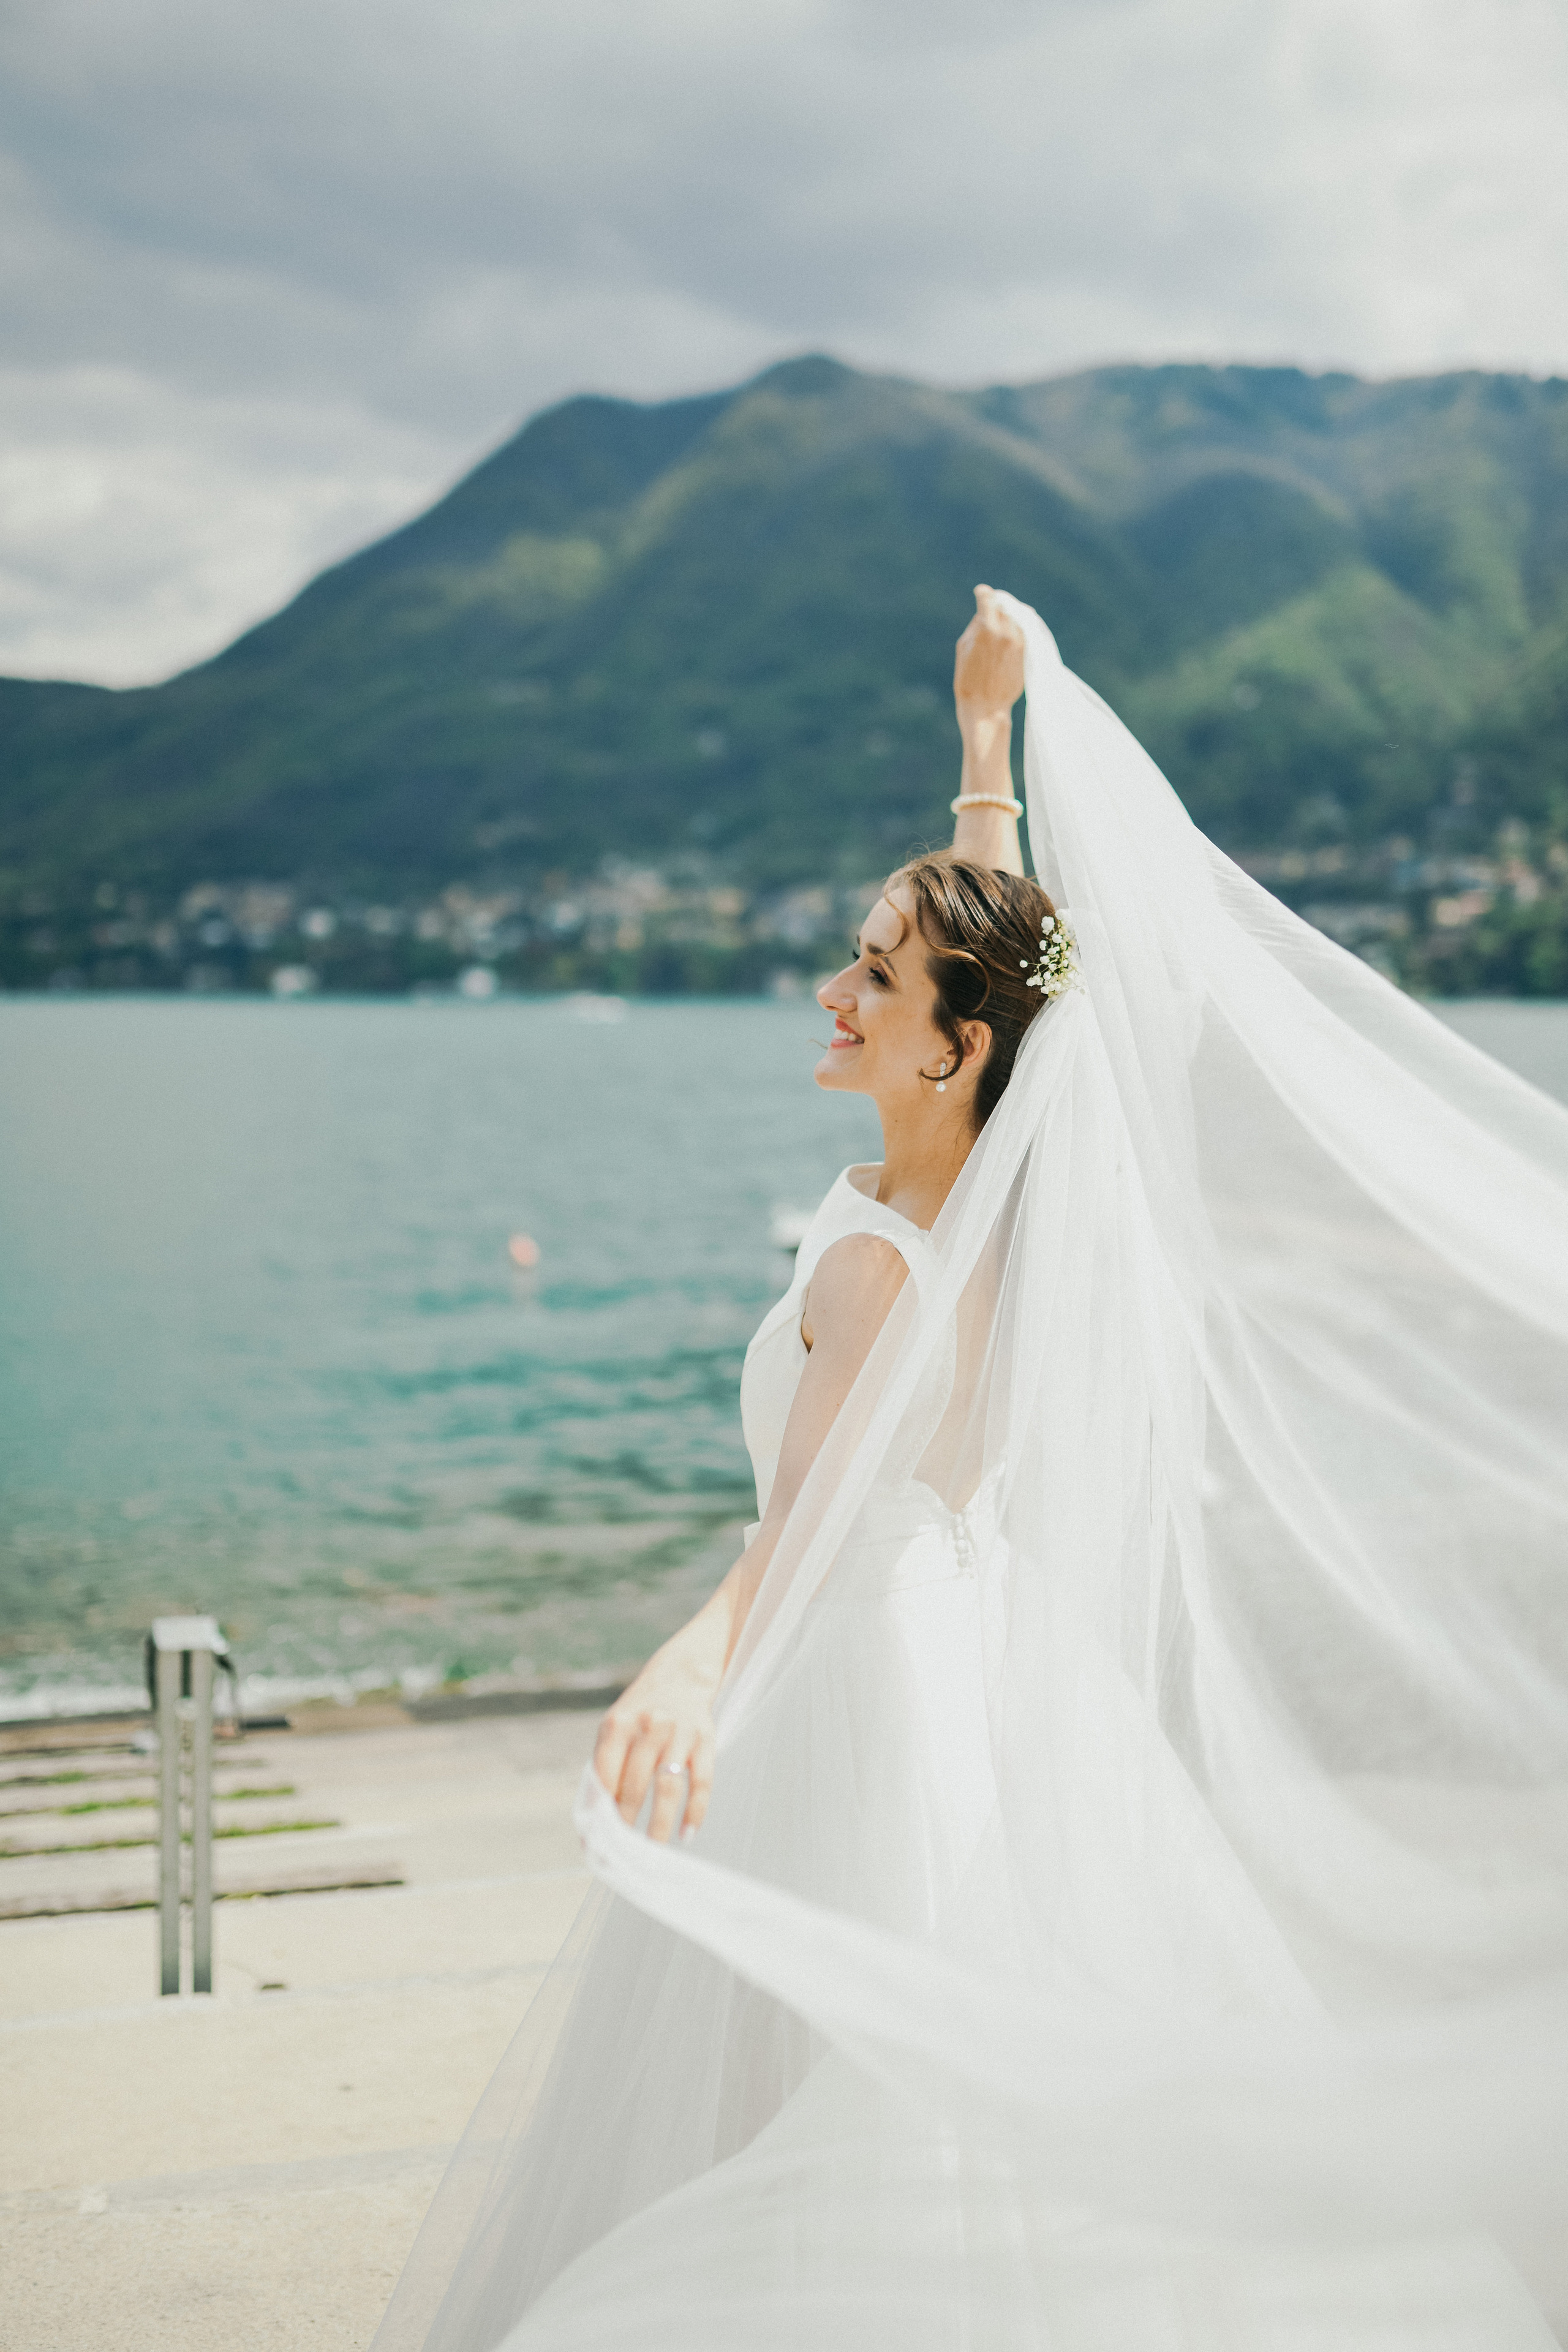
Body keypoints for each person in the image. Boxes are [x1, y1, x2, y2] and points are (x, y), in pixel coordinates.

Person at [376, 590, 1568, 2352]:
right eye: (854, 956)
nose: (837, 989)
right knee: (944, 2099)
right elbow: (1001, 946)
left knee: (821, 2113)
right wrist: (985, 750)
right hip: (980, 1669)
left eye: (874, 976)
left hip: (854, 1685)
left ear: (956, 1049)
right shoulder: (1005, 1196)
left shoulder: (878, 1263)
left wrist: (694, 1663)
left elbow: (813, 1515)